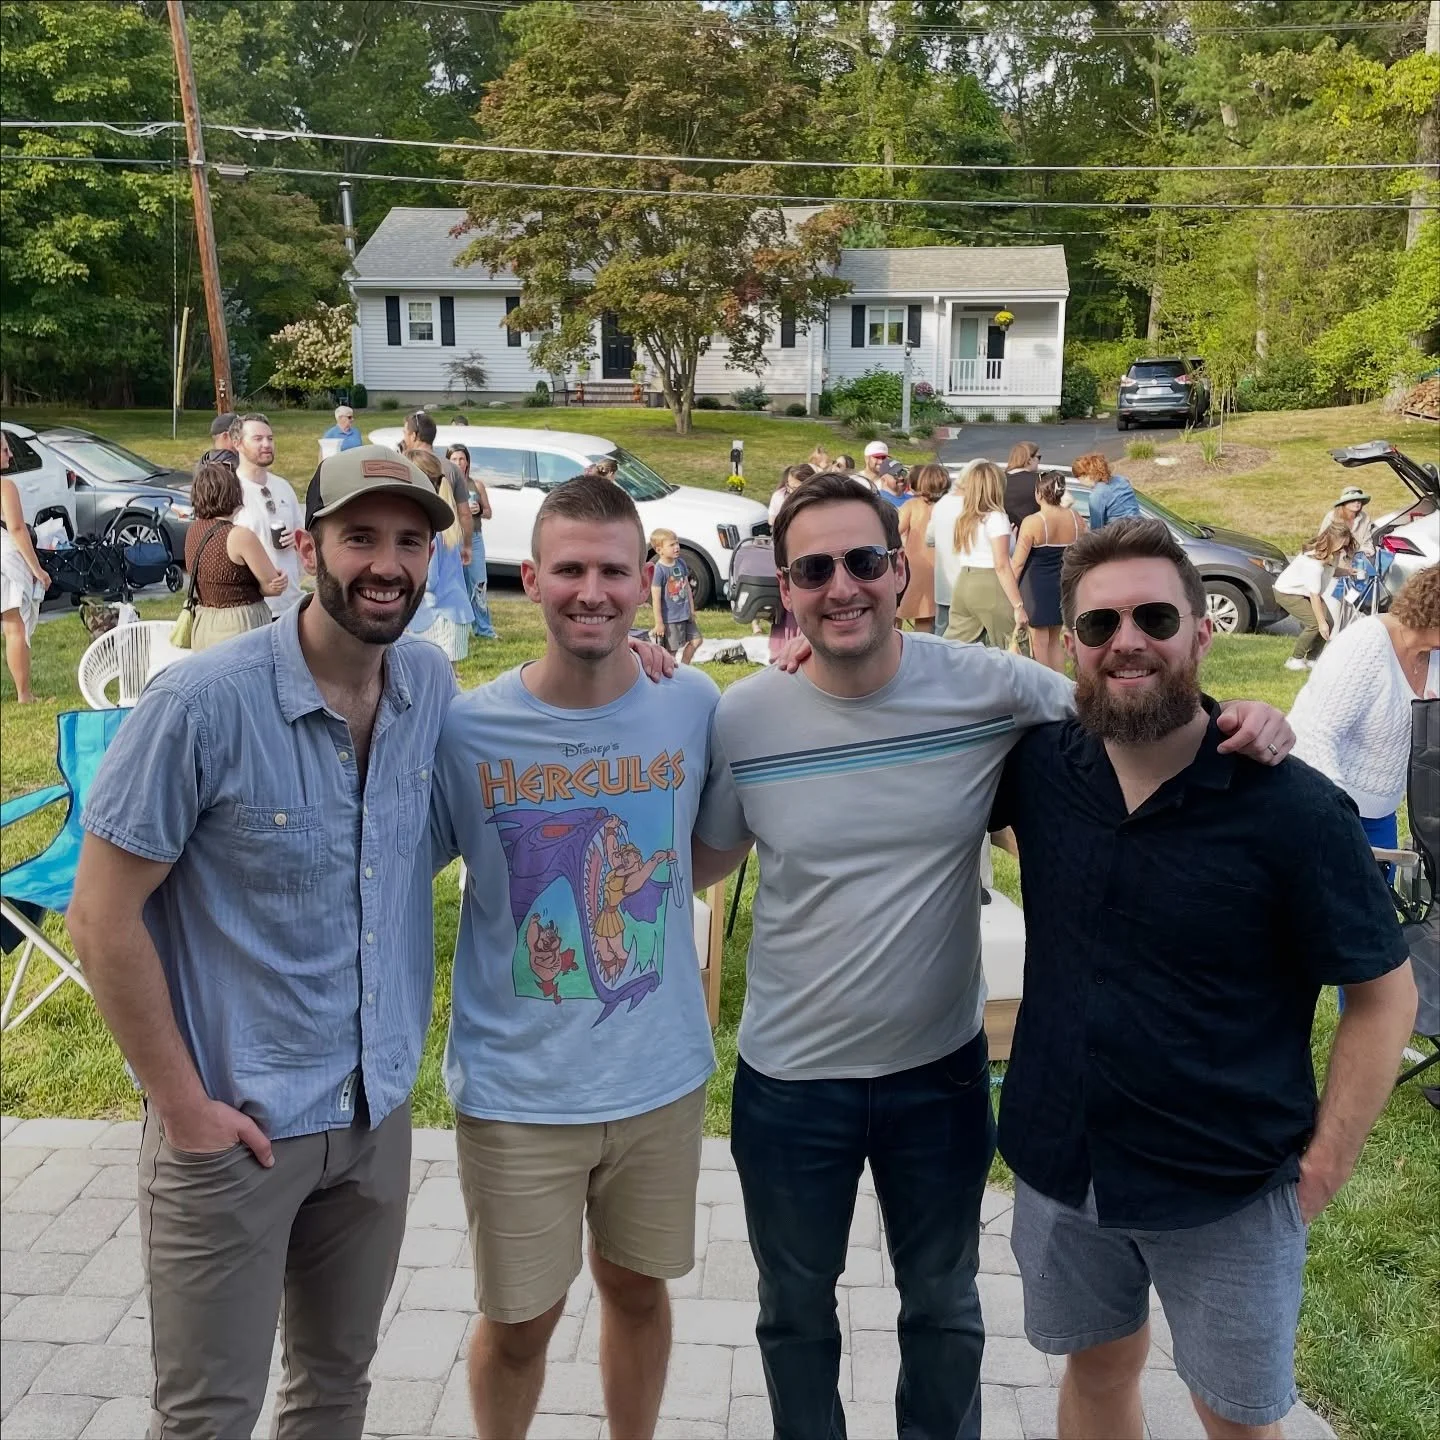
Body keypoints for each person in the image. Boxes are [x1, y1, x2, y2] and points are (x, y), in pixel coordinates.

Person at [690, 475, 1292, 1440]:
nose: (841, 586)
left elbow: (1132, 705)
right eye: (814, 568)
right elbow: (706, 856)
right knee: (793, 1312)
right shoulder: (743, 719)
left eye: (863, 562)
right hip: (790, 1081)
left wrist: (1243, 716)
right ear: (788, 588)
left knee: (944, 1306)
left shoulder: (991, 686)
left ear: (903, 568)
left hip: (939, 1073)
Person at [991, 517, 1416, 1440]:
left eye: (1154, 616)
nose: (1128, 641)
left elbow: (1386, 999)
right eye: (1101, 626)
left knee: (1236, 1418)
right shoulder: (1037, 769)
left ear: (1203, 630)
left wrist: (1326, 1166)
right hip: (1065, 1161)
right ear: (1072, 645)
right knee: (1097, 1372)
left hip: (1228, 1184)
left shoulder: (1294, 810)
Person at [67, 445, 460, 1440]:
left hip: (371, 1125)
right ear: (303, 543)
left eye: (410, 541)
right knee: (208, 1418)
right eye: (360, 536)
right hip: (232, 1132)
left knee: (336, 1391)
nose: (388, 563)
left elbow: (545, 740)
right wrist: (183, 1107)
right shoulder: (201, 705)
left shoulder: (427, 688)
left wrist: (634, 658)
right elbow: (99, 918)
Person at [428, 474, 717, 1440]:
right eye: (569, 570)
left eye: (612, 571)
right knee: (518, 1324)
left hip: (657, 1077)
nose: (591, 590)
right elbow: (389, 860)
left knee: (638, 1294)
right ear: (528, 577)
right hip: (519, 1092)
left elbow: (702, 852)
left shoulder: (694, 707)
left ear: (647, 582)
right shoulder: (465, 729)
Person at [1291, 564, 1440, 856]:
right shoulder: (1367, 643)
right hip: (1322, 805)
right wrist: (1338, 812)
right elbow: (1315, 733)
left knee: (1379, 901)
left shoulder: (1434, 657)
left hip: (1381, 814)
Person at [183, 460, 287, 650]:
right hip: (239, 625)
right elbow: (273, 587)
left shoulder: (193, 530)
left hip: (205, 622)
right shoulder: (240, 536)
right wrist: (278, 580)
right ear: (234, 493)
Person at [944, 459, 1028, 647]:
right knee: (1012, 644)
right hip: (990, 583)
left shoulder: (965, 518)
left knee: (958, 645)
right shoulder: (996, 517)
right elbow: (1001, 564)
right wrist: (1018, 606)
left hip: (964, 582)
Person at [1012, 469, 1084, 672]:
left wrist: (1010, 591)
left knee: (1039, 641)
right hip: (1063, 583)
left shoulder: (1033, 521)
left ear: (1038, 493)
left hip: (1036, 587)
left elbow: (1017, 562)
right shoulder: (1076, 519)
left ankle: (1045, 684)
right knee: (1055, 639)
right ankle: (1059, 682)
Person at [405, 448, 470, 667]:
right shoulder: (447, 524)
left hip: (434, 617)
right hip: (455, 613)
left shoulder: (430, 531)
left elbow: (429, 581)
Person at [234, 413, 304, 614]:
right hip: (254, 607)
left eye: (270, 438)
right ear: (238, 444)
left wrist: (297, 539)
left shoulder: (283, 486)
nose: (267, 444)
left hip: (290, 605)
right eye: (258, 439)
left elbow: (304, 536)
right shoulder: (232, 491)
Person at [1, 431, 51, 704]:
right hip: (4, 559)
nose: (10, 455)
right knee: (14, 627)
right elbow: (17, 529)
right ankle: (24, 694)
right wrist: (37, 570)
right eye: (5, 450)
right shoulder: (5, 487)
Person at [1274, 520, 1355, 671]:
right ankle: (1294, 659)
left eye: (1346, 545)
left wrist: (1347, 572)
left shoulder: (1333, 554)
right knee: (1315, 624)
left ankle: (1312, 659)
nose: (1343, 550)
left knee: (1329, 622)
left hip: (1307, 591)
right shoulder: (1313, 564)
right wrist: (1321, 623)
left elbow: (1330, 571)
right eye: (1341, 546)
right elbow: (1315, 596)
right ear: (1331, 542)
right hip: (1287, 592)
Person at [404, 410, 474, 566]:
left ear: (414, 436)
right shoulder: (452, 468)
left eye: (405, 433)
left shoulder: (404, 466)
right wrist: (467, 546)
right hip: (449, 541)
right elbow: (465, 514)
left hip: (414, 543)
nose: (404, 437)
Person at [448, 442, 497, 641]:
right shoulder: (445, 484)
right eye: (454, 459)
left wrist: (479, 510)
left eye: (462, 458)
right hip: (453, 539)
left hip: (475, 538)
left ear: (468, 462)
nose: (458, 462)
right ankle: (459, 628)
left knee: (478, 582)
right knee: (456, 585)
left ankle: (484, 629)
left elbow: (489, 513)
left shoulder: (476, 485)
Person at [896, 461, 947, 633]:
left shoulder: (912, 505)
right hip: (944, 565)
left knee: (922, 615)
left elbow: (896, 530)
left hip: (918, 564)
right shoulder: (948, 506)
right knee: (939, 615)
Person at [650, 526, 703, 663]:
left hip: (685, 614)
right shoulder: (659, 570)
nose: (677, 547)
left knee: (696, 640)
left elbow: (686, 589)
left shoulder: (681, 563)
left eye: (677, 543)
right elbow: (655, 599)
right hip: (671, 618)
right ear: (659, 550)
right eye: (671, 545)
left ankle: (684, 668)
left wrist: (691, 609)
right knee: (671, 651)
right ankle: (669, 675)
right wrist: (659, 623)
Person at [926, 460, 966, 636]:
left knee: (942, 629)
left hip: (944, 582)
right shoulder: (973, 504)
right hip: (967, 580)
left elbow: (929, 538)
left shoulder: (941, 505)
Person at [1073, 451, 1139, 530]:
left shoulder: (1097, 494)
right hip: (1138, 528)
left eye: (1078, 478)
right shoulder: (1121, 480)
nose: (1079, 482)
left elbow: (1097, 529)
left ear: (1086, 475)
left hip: (1119, 534)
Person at [1319, 485, 1375, 556]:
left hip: (1357, 558)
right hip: (1333, 558)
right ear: (1344, 503)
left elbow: (1367, 541)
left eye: (1359, 500)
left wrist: (1366, 552)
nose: (1357, 502)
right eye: (1353, 500)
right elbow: (1322, 540)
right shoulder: (1331, 516)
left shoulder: (1365, 518)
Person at [1002, 440, 1042, 528]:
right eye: (1038, 457)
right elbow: (1066, 501)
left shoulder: (998, 480)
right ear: (1029, 460)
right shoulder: (1040, 479)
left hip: (1004, 533)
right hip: (1034, 532)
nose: (1039, 461)